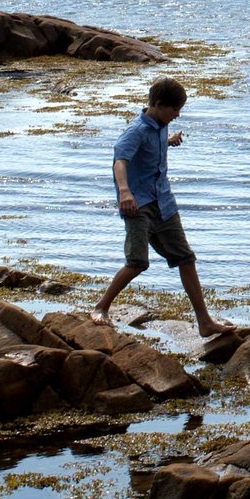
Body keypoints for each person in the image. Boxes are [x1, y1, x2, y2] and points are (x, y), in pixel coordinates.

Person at [93, 78, 228, 337]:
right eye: (175, 109)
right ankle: (101, 307)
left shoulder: (161, 126)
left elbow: (152, 148)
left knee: (186, 259)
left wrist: (169, 141)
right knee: (137, 263)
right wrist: (124, 192)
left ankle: (205, 322)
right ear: (157, 104)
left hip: (164, 202)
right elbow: (120, 161)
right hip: (138, 204)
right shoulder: (136, 130)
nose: (178, 114)